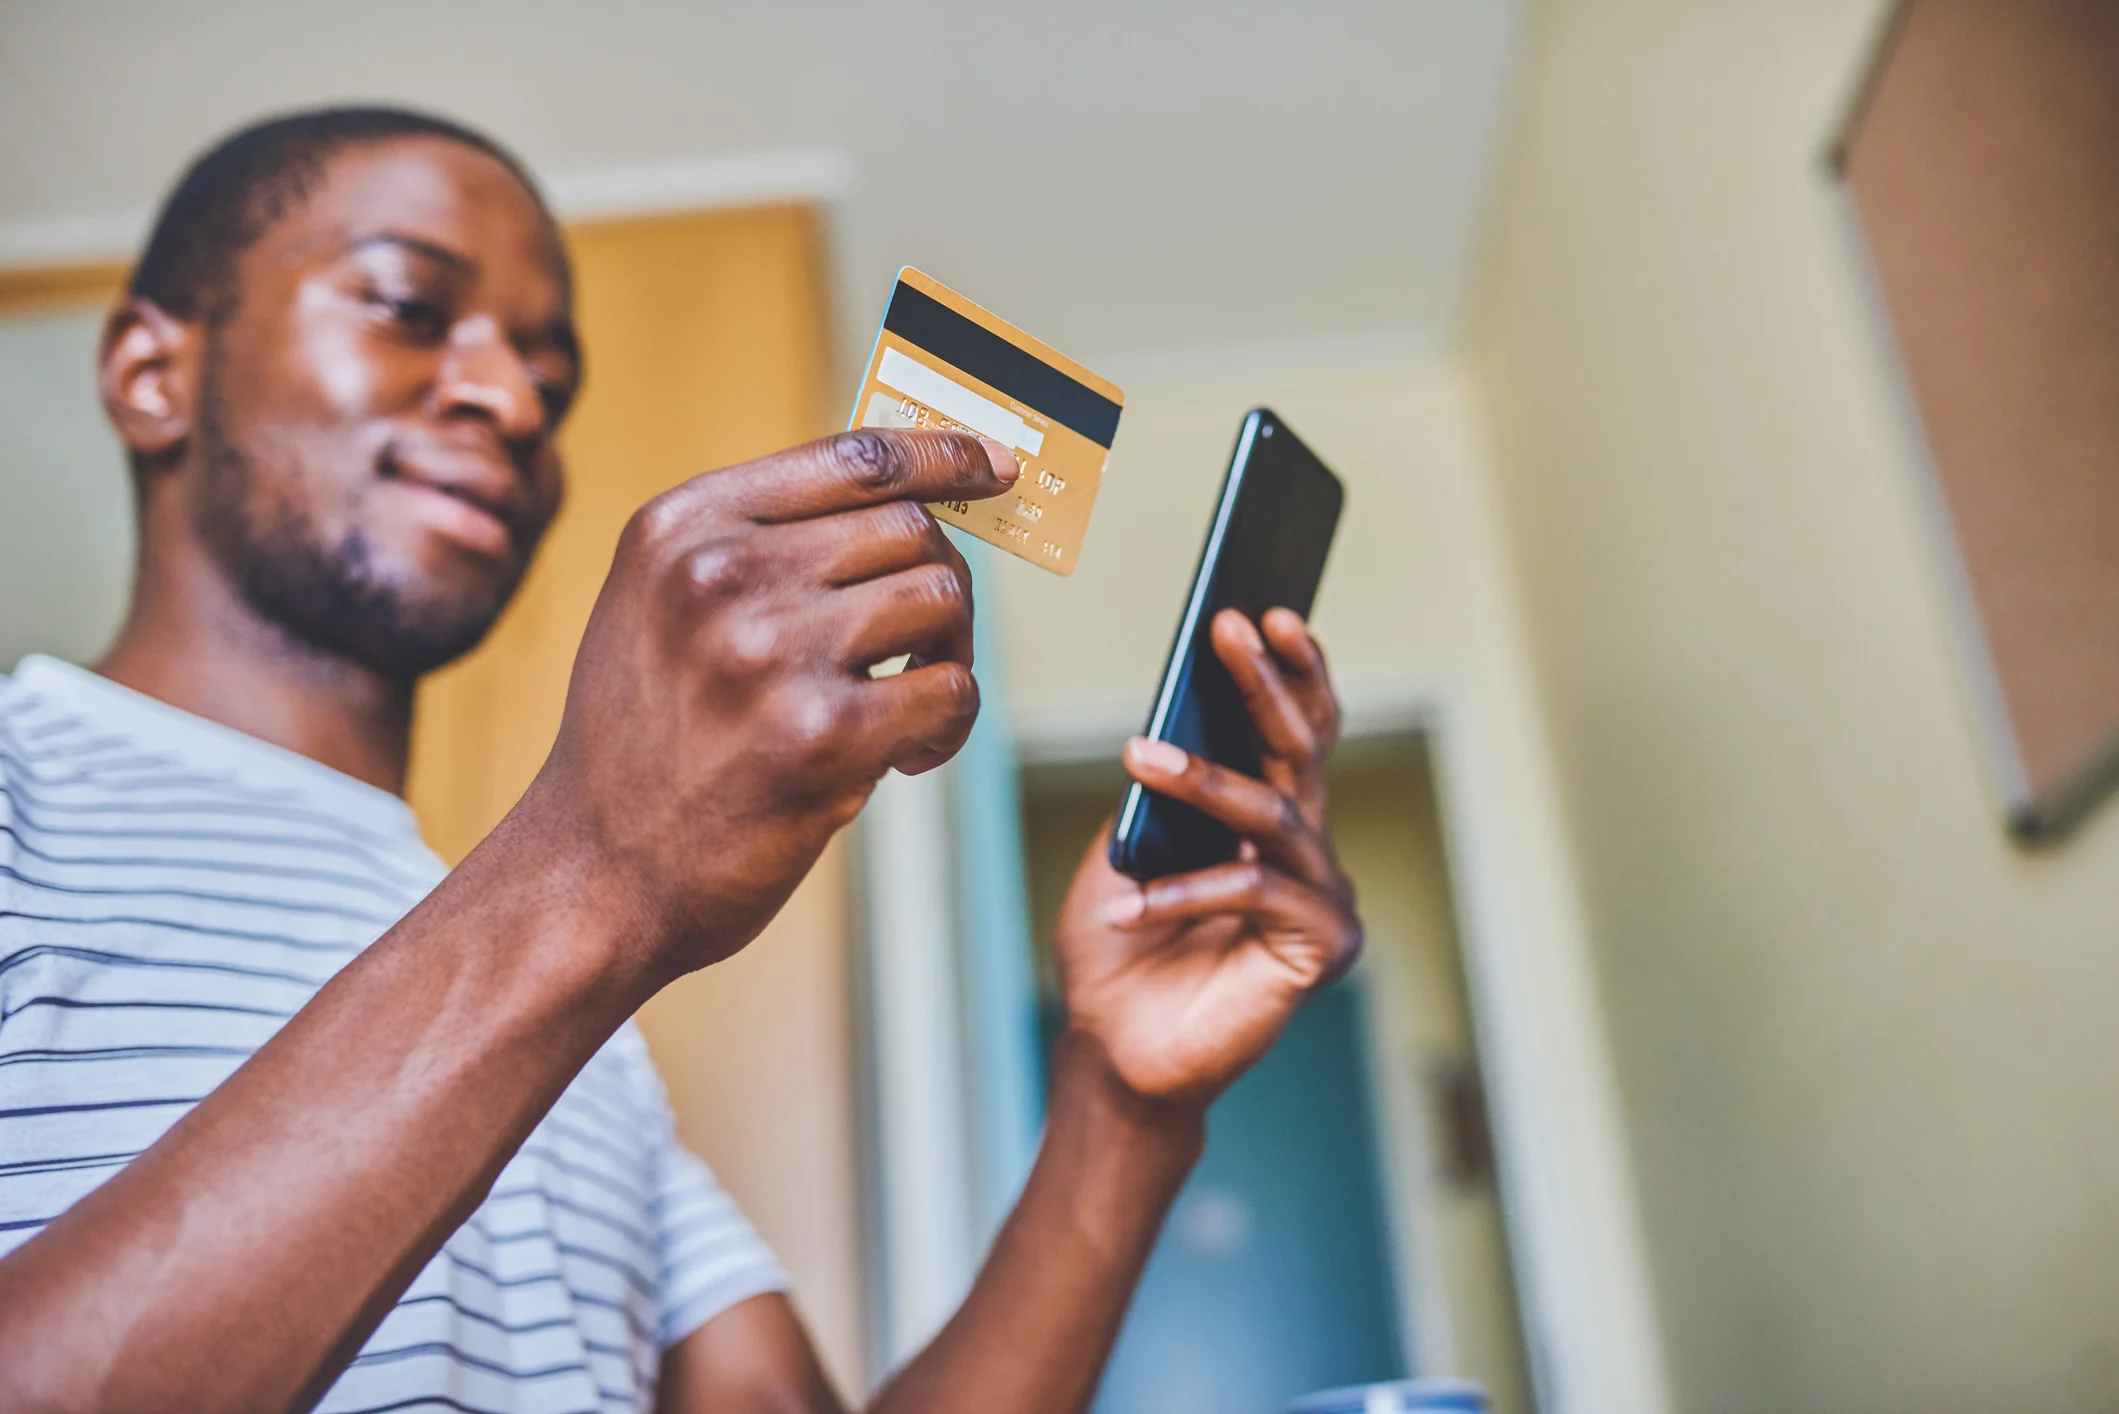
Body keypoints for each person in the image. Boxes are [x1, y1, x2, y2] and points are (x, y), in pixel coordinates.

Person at [0, 107, 1361, 1414]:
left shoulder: (579, 1023)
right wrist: (593, 873)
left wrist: (1119, 1107)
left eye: (550, 374)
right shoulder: (39, 807)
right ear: (149, 372)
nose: (512, 400)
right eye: (411, 309)